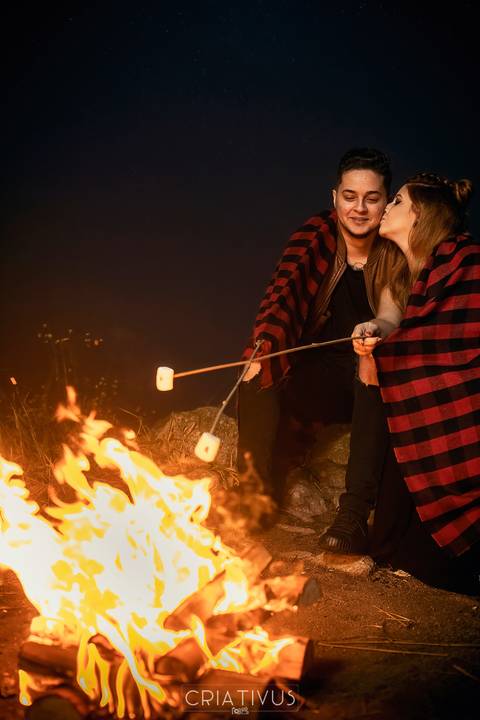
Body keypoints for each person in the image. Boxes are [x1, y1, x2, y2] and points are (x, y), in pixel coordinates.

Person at [332, 172, 479, 593]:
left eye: (396, 201)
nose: (385, 209)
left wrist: (391, 352)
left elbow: (456, 336)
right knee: (394, 550)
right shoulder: (398, 268)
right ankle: (360, 513)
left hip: (461, 400)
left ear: (422, 215)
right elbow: (392, 321)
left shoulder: (462, 258)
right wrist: (372, 334)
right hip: (418, 400)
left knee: (434, 561)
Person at [237, 147, 403, 507]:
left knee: (372, 369)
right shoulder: (313, 238)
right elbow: (280, 301)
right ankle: (252, 500)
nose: (359, 208)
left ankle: (354, 512)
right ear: (335, 197)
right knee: (257, 367)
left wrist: (374, 328)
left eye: (371, 199)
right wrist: (263, 347)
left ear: (386, 203)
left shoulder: (395, 253)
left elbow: (391, 315)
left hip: (367, 386)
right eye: (349, 196)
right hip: (316, 377)